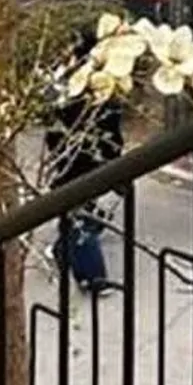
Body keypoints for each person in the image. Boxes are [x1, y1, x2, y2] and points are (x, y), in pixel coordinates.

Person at [43, 24, 124, 294]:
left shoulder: (75, 83)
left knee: (81, 217)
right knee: (81, 216)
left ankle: (76, 262)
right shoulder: (99, 82)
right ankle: (82, 269)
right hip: (85, 158)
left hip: (79, 158)